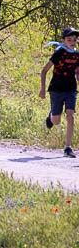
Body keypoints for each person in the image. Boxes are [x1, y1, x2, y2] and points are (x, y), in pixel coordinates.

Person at [42, 26, 79, 158]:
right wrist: (42, 89)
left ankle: (68, 147)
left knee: (70, 115)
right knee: (56, 121)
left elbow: (77, 72)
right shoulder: (59, 53)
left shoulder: (77, 54)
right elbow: (44, 70)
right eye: (69, 39)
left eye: (75, 39)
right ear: (63, 40)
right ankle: (52, 115)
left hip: (71, 89)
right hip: (56, 89)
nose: (72, 41)